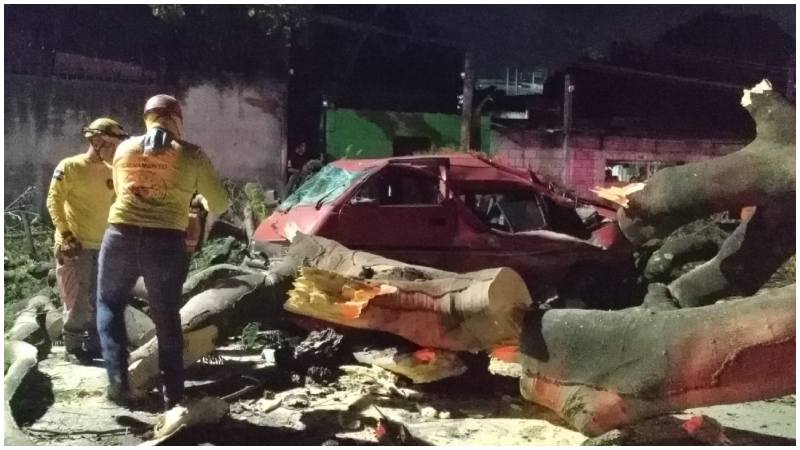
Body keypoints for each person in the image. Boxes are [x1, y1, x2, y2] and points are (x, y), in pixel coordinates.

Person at [97, 94, 229, 409]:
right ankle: (174, 395)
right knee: (166, 317)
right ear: (176, 119)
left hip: (120, 236)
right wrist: (197, 202)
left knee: (109, 304)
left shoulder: (123, 149)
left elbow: (121, 189)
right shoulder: (192, 154)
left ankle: (118, 384)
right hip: (166, 243)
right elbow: (221, 203)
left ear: (147, 118)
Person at [46, 117, 128, 363]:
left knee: (99, 299)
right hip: (75, 245)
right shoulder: (70, 166)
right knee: (76, 300)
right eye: (110, 144)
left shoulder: (113, 171)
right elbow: (54, 200)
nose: (114, 149)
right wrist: (66, 233)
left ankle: (94, 345)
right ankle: (72, 346)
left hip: (103, 246)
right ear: (95, 141)